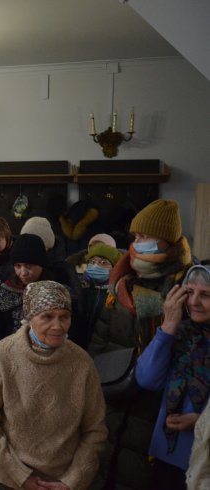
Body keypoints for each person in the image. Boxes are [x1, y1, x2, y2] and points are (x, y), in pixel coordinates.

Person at [88, 199, 195, 490]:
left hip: (154, 409)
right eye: (135, 236)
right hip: (112, 397)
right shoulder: (122, 284)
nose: (137, 243)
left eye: (145, 236)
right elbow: (99, 342)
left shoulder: (186, 291)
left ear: (166, 240)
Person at [0, 280, 108, 490]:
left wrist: (72, 481)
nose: (58, 326)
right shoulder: (0, 356)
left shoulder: (82, 363)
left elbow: (95, 430)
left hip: (62, 480)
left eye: (64, 317)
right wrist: (21, 476)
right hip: (8, 479)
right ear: (29, 317)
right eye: (47, 316)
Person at [135, 265, 210, 490]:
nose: (194, 301)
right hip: (166, 455)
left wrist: (202, 422)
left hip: (203, 461)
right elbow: (147, 379)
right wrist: (168, 325)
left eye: (206, 295)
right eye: (189, 292)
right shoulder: (181, 332)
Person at [79, 242, 122, 347]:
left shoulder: (117, 295)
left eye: (103, 263)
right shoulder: (80, 288)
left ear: (114, 268)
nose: (96, 266)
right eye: (92, 262)